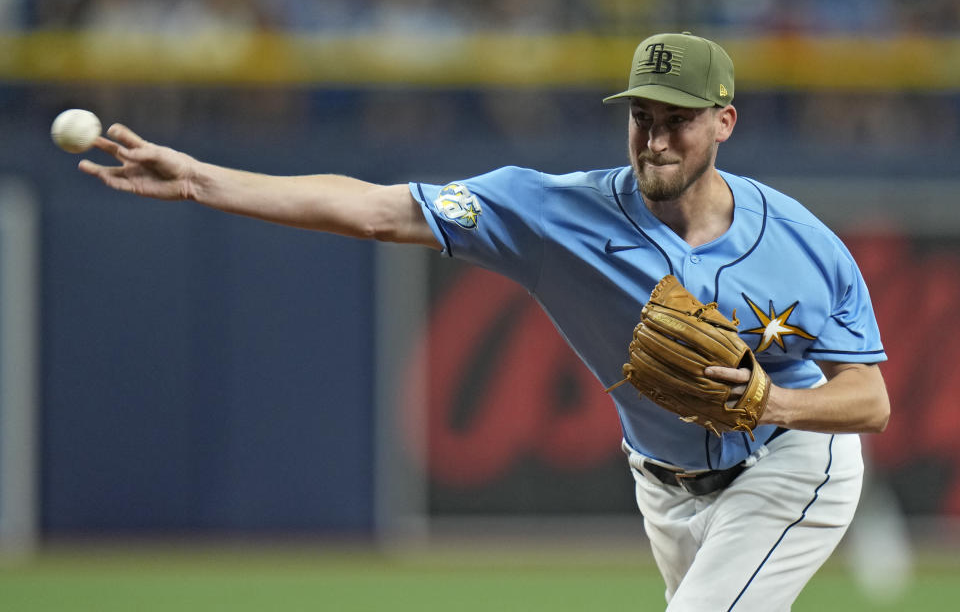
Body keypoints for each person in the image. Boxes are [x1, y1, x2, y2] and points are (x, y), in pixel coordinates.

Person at [78, 31, 889, 611]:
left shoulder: (800, 244)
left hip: (790, 467)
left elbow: (870, 402)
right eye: (641, 114)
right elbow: (375, 209)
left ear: (723, 121)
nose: (655, 136)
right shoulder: (550, 210)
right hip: (663, 484)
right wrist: (202, 180)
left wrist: (770, 402)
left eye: (677, 117)